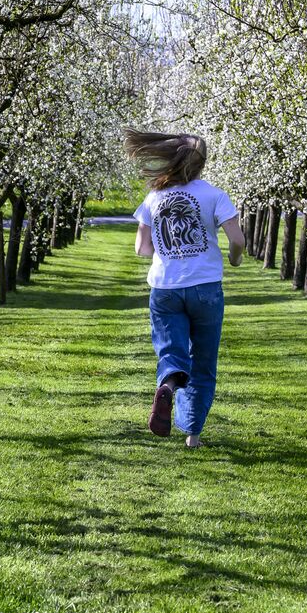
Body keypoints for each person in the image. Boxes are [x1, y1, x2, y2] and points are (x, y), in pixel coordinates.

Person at [125, 128, 245, 449]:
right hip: (205, 287)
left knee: (171, 351)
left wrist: (168, 254)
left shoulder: (154, 197)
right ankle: (192, 435)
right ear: (202, 164)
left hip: (165, 288)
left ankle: (166, 386)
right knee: (203, 359)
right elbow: (237, 240)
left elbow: (141, 248)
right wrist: (234, 259)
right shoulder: (215, 195)